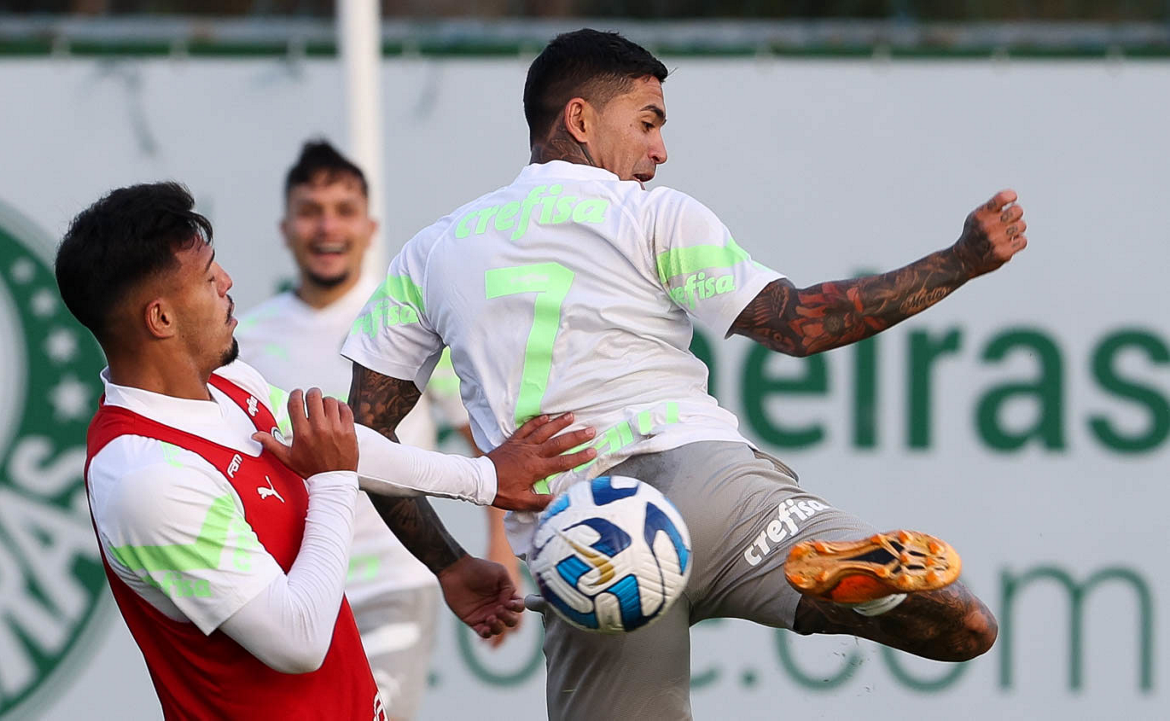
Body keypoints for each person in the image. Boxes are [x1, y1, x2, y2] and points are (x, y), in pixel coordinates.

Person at [341, 29, 1024, 720]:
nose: (660, 150)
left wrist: (450, 563)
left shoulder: (429, 253)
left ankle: (859, 586)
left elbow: (362, 439)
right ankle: (869, 593)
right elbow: (800, 324)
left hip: (587, 540)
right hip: (710, 487)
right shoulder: (653, 215)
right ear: (579, 119)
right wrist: (959, 260)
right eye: (648, 123)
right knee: (967, 627)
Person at [54, 182, 595, 720]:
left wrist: (483, 485)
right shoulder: (147, 479)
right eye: (207, 276)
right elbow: (299, 641)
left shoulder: (227, 382)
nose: (227, 282)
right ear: (161, 319)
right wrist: (332, 480)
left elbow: (345, 444)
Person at [236, 141, 524, 719]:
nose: (327, 227)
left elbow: (485, 445)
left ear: (369, 228)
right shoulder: (247, 339)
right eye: (311, 211)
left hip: (395, 578)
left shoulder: (406, 322)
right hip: (289, 587)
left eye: (344, 210)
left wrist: (501, 548)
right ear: (286, 229)